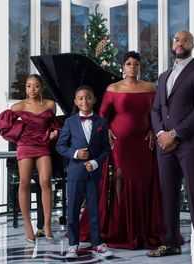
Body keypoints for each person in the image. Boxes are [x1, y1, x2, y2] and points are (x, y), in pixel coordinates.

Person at [80, 51, 163, 249]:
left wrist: (153, 130)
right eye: (128, 63)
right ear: (122, 67)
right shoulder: (113, 88)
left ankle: (141, 226)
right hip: (120, 144)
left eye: (135, 64)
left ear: (139, 67)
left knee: (144, 180)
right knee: (119, 178)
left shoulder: (150, 88)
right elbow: (101, 113)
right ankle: (120, 226)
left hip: (143, 143)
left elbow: (156, 112)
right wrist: (106, 129)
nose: (132, 67)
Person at [146, 30, 194, 264]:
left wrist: (174, 133)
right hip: (165, 145)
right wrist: (161, 134)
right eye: (176, 39)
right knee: (168, 195)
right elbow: (156, 110)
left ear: (192, 44)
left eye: (185, 39)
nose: (180, 42)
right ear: (172, 43)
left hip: (191, 144)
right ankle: (171, 242)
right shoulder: (164, 76)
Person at [0, 74, 61, 242]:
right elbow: (2, 122)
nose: (32, 89)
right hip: (25, 145)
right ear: (25, 88)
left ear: (42, 87)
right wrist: (18, 131)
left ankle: (46, 225)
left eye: (36, 86)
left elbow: (55, 125)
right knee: (24, 182)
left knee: (46, 181)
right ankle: (27, 225)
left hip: (43, 145)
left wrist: (54, 133)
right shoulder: (19, 106)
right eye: (29, 86)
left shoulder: (50, 104)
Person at [56, 85, 113, 259]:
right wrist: (75, 154)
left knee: (95, 209)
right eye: (80, 98)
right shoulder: (70, 122)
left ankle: (97, 243)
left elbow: (106, 149)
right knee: (73, 209)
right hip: (75, 174)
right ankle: (73, 244)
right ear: (75, 101)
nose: (84, 101)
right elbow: (60, 146)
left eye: (88, 97)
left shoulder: (102, 122)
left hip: (93, 173)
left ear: (94, 100)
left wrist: (96, 162)